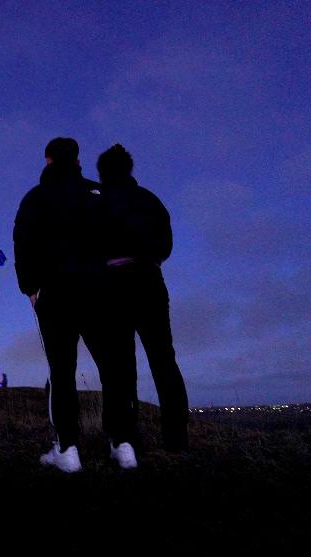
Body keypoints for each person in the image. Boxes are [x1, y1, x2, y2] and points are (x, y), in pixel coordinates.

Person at [13, 137, 105, 473]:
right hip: (98, 292)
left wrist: (31, 289)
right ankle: (123, 445)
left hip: (55, 295)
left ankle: (67, 451)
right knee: (113, 368)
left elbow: (23, 243)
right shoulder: (98, 193)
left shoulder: (36, 198)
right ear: (78, 160)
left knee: (61, 373)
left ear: (48, 161)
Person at [95, 144, 189, 459]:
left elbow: (85, 249)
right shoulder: (150, 201)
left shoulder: (97, 203)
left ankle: (124, 440)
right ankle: (176, 439)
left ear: (103, 172)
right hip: (149, 281)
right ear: (129, 170)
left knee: (119, 366)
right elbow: (165, 246)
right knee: (164, 360)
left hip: (112, 286)